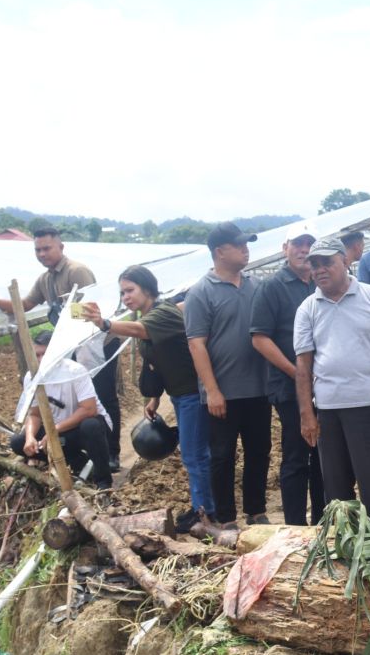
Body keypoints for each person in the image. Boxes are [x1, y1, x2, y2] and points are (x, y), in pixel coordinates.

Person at [0, 227, 121, 471]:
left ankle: (112, 454)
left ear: (61, 247)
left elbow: (93, 307)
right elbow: (25, 304)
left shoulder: (77, 272)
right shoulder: (45, 279)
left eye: (47, 248)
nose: (42, 253)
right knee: (80, 398)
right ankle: (81, 454)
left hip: (97, 344)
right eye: (38, 250)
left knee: (102, 396)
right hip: (73, 345)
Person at [82, 265, 212, 530]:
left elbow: (140, 330)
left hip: (193, 393)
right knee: (193, 454)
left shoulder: (163, 313)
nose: (126, 297)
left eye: (130, 290)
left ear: (147, 288)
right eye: (122, 293)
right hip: (179, 394)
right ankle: (203, 507)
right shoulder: (150, 315)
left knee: (194, 455)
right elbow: (159, 361)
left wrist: (104, 323)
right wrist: (154, 397)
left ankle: (207, 511)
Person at [294, 240, 370, 525]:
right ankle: (345, 549)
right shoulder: (308, 308)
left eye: (327, 263)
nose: (320, 269)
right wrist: (307, 414)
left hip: (369, 405)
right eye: (315, 264)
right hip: (329, 409)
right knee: (336, 490)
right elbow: (303, 365)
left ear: (345, 261)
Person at [185, 222, 273, 526]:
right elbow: (197, 344)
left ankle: (256, 510)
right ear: (220, 252)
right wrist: (212, 390)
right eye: (239, 245)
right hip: (223, 391)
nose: (246, 250)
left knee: (259, 451)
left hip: (259, 388)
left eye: (247, 244)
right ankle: (225, 518)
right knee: (222, 456)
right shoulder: (201, 293)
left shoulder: (255, 287)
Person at [251, 223, 325, 526]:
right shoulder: (273, 287)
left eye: (309, 244)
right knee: (297, 454)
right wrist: (297, 373)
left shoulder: (321, 283)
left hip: (325, 385)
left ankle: (324, 521)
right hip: (290, 385)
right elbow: (259, 338)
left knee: (323, 455)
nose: (304, 250)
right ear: (285, 249)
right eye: (297, 244)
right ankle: (295, 525)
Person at [10, 330, 113, 492]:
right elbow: (35, 414)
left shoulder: (75, 371)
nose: (41, 359)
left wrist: (53, 431)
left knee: (91, 425)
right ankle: (79, 461)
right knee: (17, 442)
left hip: (83, 427)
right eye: (36, 354)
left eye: (45, 354)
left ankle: (104, 481)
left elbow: (89, 409)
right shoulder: (31, 376)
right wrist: (30, 437)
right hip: (59, 431)